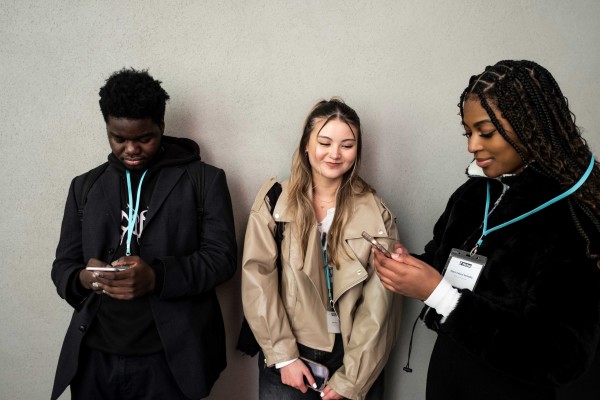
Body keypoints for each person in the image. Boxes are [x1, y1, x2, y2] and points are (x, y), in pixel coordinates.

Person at [373, 60, 600, 400]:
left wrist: (440, 295)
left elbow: (561, 357)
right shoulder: (473, 194)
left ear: (529, 125)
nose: (472, 146)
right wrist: (406, 266)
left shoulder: (573, 219)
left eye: (486, 132)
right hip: (449, 379)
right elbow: (442, 261)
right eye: (468, 133)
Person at [51, 68, 237, 400]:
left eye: (144, 138)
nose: (131, 149)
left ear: (162, 128)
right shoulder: (85, 186)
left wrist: (157, 277)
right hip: (95, 357)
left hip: (169, 361)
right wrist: (85, 278)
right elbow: (63, 265)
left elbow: (221, 260)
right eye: (118, 138)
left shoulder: (204, 180)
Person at [242, 98, 403, 400]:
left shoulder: (377, 213)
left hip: (352, 356)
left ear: (357, 151)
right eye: (325, 142)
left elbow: (382, 306)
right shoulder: (275, 200)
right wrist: (285, 356)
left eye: (347, 145)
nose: (334, 154)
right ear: (306, 144)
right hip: (288, 352)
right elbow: (257, 279)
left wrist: (352, 379)